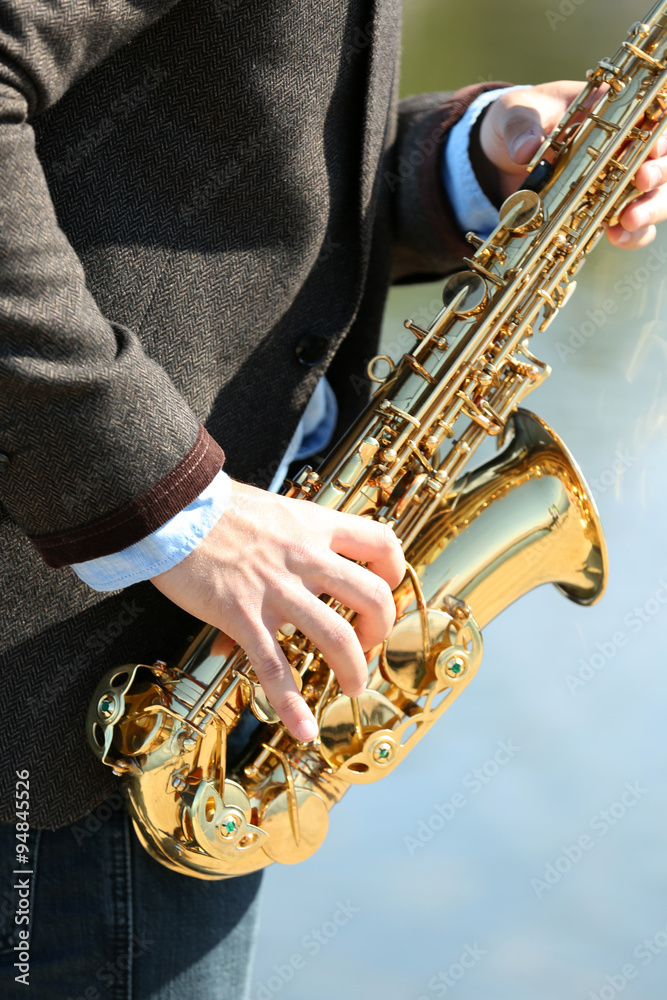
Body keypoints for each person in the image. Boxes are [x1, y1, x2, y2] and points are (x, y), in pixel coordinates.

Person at [0, 2, 665, 997]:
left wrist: (474, 160)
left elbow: (214, 169)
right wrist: (167, 504)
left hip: (191, 685)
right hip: (77, 711)